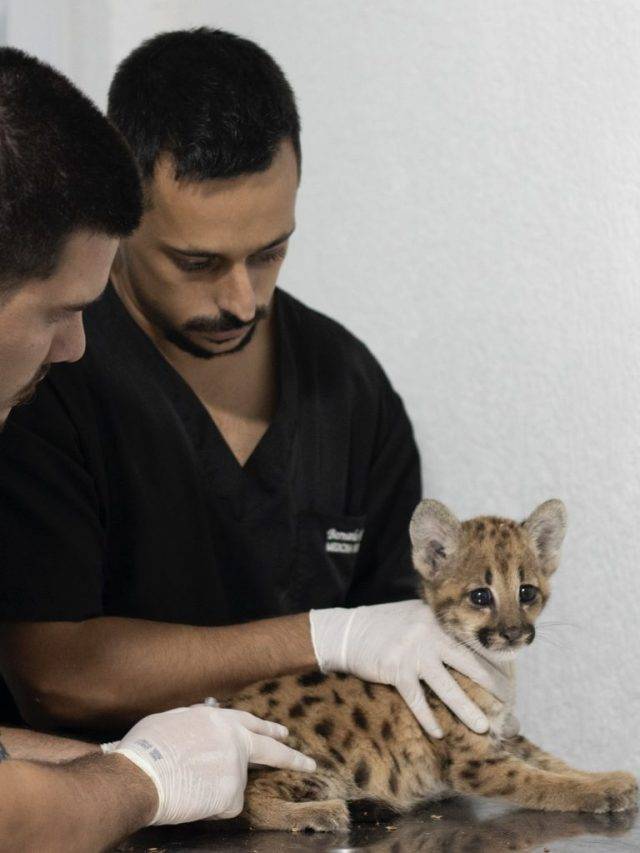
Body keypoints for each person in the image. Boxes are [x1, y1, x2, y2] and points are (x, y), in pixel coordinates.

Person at [0, 28, 508, 740]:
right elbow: (56, 678)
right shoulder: (41, 372)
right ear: (122, 215)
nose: (241, 300)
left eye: (269, 253)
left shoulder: (349, 390)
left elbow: (406, 648)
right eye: (197, 263)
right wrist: (324, 638)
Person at [0, 46, 315, 852]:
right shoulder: (62, 408)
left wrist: (128, 762)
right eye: (57, 312)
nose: (76, 346)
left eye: (269, 252)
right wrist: (142, 781)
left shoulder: (343, 381)